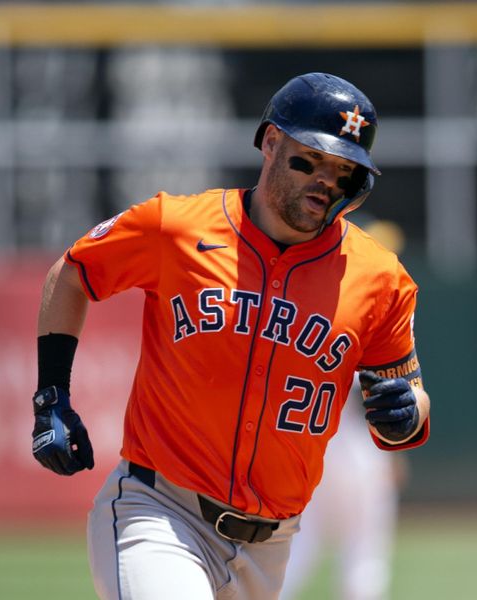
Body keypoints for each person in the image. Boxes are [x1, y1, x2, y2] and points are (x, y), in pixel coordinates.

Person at [30, 72, 431, 600]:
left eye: (344, 171)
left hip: (271, 546)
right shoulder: (177, 226)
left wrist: (410, 411)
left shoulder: (378, 276)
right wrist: (51, 396)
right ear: (269, 142)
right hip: (159, 512)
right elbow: (74, 272)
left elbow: (410, 395)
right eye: (309, 159)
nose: (325, 181)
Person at [279, 218, 409, 600]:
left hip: (313, 447)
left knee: (298, 547)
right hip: (357, 449)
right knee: (365, 553)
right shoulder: (377, 310)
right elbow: (381, 397)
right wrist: (392, 453)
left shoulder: (318, 301)